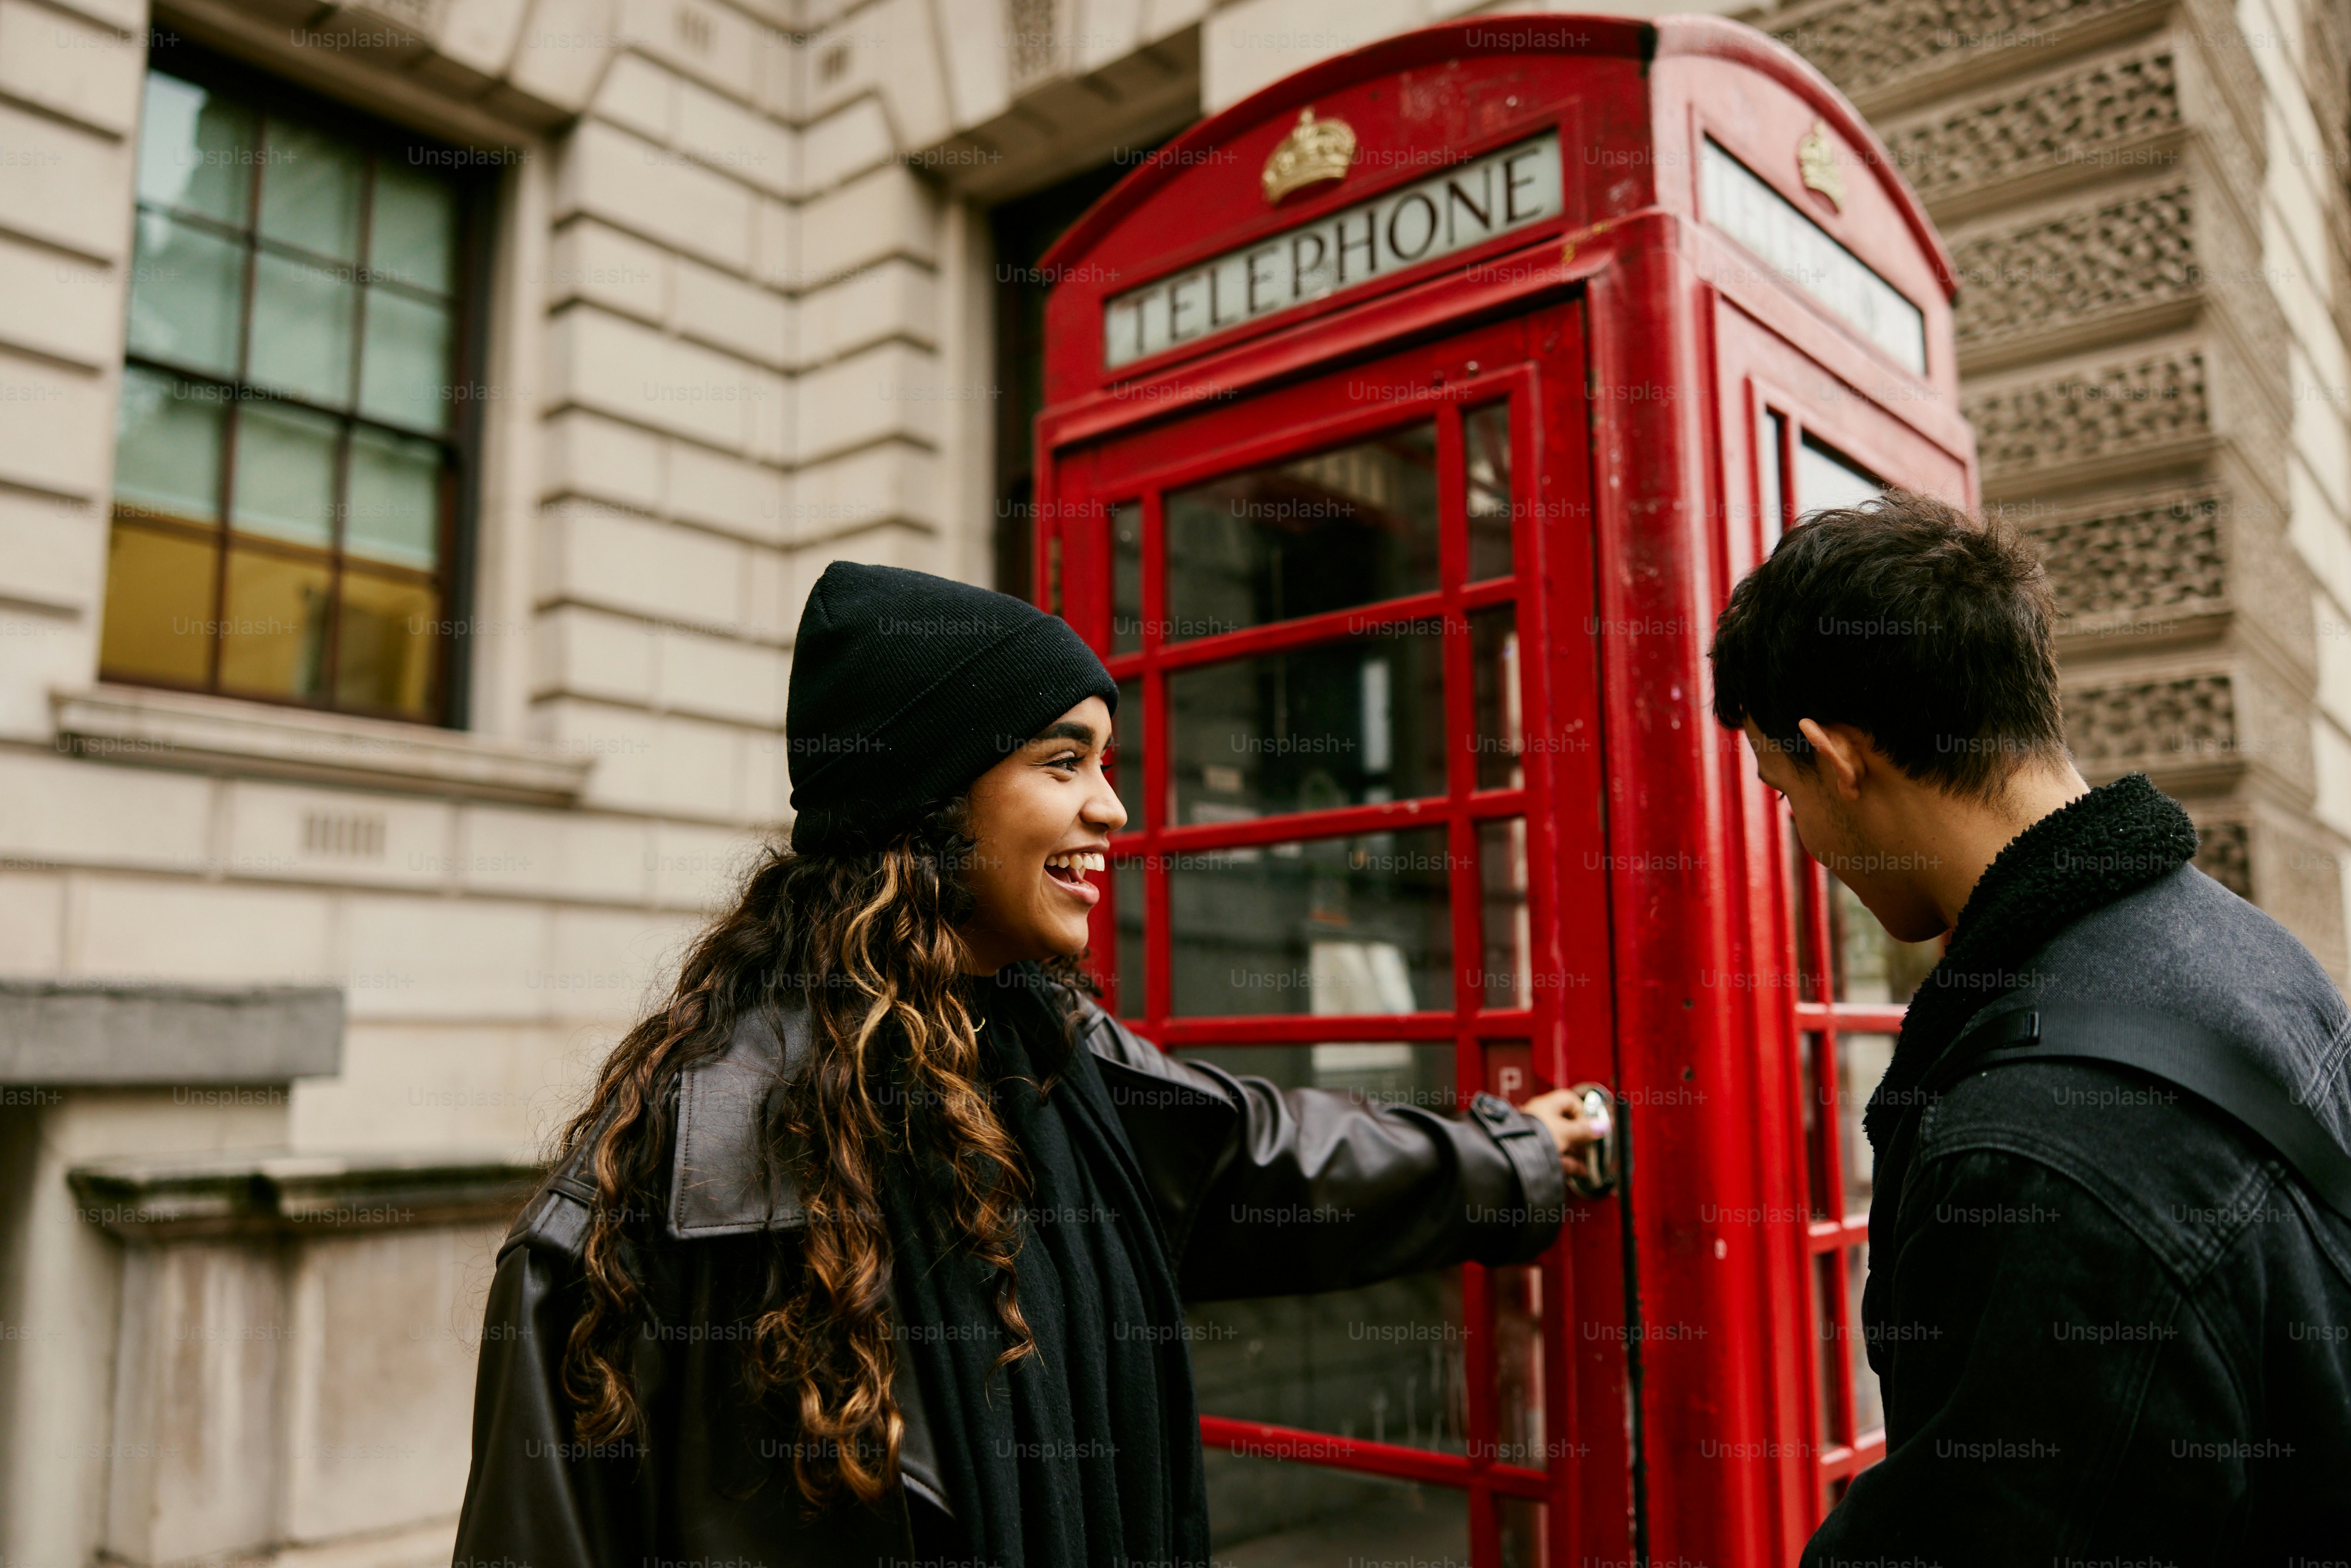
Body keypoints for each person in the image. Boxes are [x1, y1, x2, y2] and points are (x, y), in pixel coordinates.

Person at [452, 561, 1599, 1568]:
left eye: (1104, 761)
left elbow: (1273, 1157)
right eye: (1065, 761)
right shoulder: (649, 1200)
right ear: (933, 803)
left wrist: (1528, 1154)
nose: (1113, 807)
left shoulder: (1058, 1060)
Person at [1709, 492, 2351, 1560]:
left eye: (1785, 793)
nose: (1803, 839)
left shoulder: (2031, 1143)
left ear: (1837, 757)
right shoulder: (2254, 949)